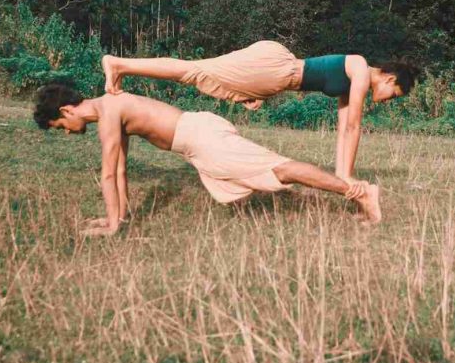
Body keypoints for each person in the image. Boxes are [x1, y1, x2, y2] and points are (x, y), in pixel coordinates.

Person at [33, 83, 381, 236]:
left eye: (60, 125)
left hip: (201, 139)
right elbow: (120, 171)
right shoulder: (110, 110)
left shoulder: (108, 112)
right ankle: (357, 191)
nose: (66, 131)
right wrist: (117, 218)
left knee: (281, 169)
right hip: (197, 141)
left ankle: (360, 192)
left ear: (66, 110)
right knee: (277, 170)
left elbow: (108, 176)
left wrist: (110, 226)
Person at [101, 41, 418, 180]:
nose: (390, 99)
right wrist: (347, 178)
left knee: (200, 74)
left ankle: (122, 65)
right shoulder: (361, 70)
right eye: (395, 93)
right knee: (193, 71)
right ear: (389, 78)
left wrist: (341, 175)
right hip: (276, 69)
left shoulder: (351, 84)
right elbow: (353, 128)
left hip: (273, 77)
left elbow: (343, 131)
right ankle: (119, 64)